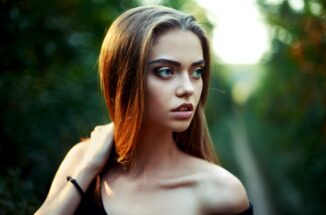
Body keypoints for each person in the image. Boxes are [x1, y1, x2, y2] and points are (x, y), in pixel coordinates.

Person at [35, 5, 253, 215]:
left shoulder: (222, 192)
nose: (188, 88)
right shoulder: (81, 159)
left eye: (196, 72)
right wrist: (88, 169)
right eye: (166, 71)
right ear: (125, 78)